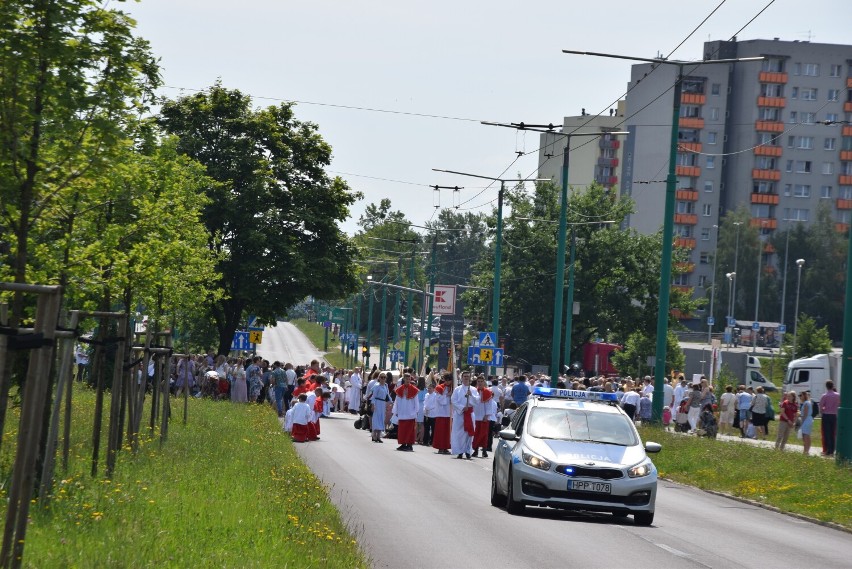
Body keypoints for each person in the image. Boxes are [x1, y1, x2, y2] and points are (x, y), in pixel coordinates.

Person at [451, 371, 479, 459]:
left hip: (470, 414)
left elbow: (477, 401)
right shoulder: (457, 389)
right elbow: (453, 401)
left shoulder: (473, 389)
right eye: (464, 376)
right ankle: (459, 451)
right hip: (460, 414)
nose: (466, 378)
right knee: (459, 433)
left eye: (468, 376)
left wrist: (472, 396)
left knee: (469, 434)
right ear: (461, 378)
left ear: (470, 378)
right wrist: (462, 407)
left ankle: (468, 451)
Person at [394, 370, 419, 451]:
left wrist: (415, 412)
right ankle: (403, 443)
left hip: (410, 413)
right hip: (402, 412)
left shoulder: (414, 390)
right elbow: (396, 401)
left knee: (409, 430)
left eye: (409, 379)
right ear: (404, 379)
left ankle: (409, 444)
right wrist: (396, 411)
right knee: (402, 430)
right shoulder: (399, 389)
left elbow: (416, 402)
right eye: (406, 379)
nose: (407, 381)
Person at [471, 376, 496, 458]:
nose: (480, 383)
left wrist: (487, 415)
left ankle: (484, 451)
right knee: (476, 434)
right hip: (475, 415)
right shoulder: (474, 391)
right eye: (478, 381)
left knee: (484, 434)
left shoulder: (488, 392)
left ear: (484, 382)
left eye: (481, 381)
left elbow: (489, 406)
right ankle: (475, 450)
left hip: (484, 416)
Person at [431, 376, 452, 454]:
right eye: (446, 380)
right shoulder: (440, 388)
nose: (447, 382)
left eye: (449, 380)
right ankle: (440, 447)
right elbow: (439, 400)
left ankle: (446, 446)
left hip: (449, 413)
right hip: (441, 412)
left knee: (447, 432)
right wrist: (447, 395)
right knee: (440, 431)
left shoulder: (453, 388)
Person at [367, 372, 390, 443]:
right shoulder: (376, 386)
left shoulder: (385, 386)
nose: (383, 379)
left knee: (381, 418)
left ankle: (378, 436)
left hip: (382, 404)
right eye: (381, 377)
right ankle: (374, 435)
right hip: (377, 403)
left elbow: (387, 395)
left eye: (384, 377)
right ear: (379, 378)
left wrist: (390, 402)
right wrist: (373, 405)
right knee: (376, 419)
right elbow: (373, 396)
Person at [819, 380, 840, 456]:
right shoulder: (838, 395)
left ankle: (828, 450)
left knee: (826, 433)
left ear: (826, 386)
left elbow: (821, 406)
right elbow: (839, 404)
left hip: (826, 415)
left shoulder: (825, 395)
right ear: (833, 386)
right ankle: (832, 450)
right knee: (832, 433)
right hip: (834, 415)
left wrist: (823, 410)